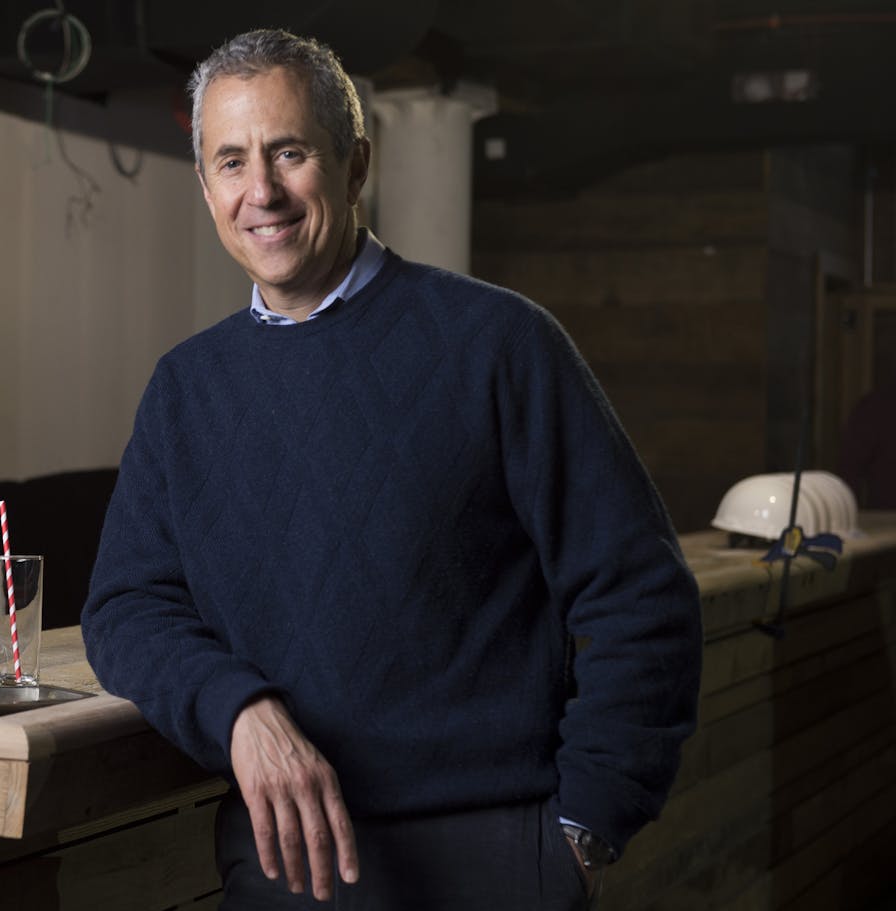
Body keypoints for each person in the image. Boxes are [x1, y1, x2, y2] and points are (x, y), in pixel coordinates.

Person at [81, 28, 702, 910]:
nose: (261, 191)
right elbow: (124, 607)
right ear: (206, 185)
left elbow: (642, 594)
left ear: (355, 163)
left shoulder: (499, 344)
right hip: (281, 866)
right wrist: (238, 709)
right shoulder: (186, 388)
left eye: (289, 152)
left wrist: (583, 827)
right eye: (231, 161)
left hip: (495, 859)